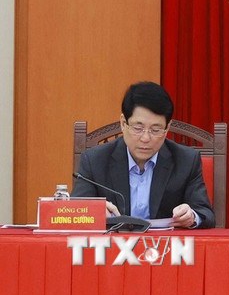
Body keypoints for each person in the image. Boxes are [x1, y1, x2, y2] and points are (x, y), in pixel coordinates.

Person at [72, 81, 215, 228]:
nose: (145, 138)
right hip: (113, 241)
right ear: (123, 123)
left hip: (165, 242)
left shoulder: (186, 161)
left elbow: (205, 214)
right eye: (138, 128)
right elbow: (74, 212)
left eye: (155, 130)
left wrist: (192, 216)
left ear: (167, 128)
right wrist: (94, 211)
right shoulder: (94, 160)